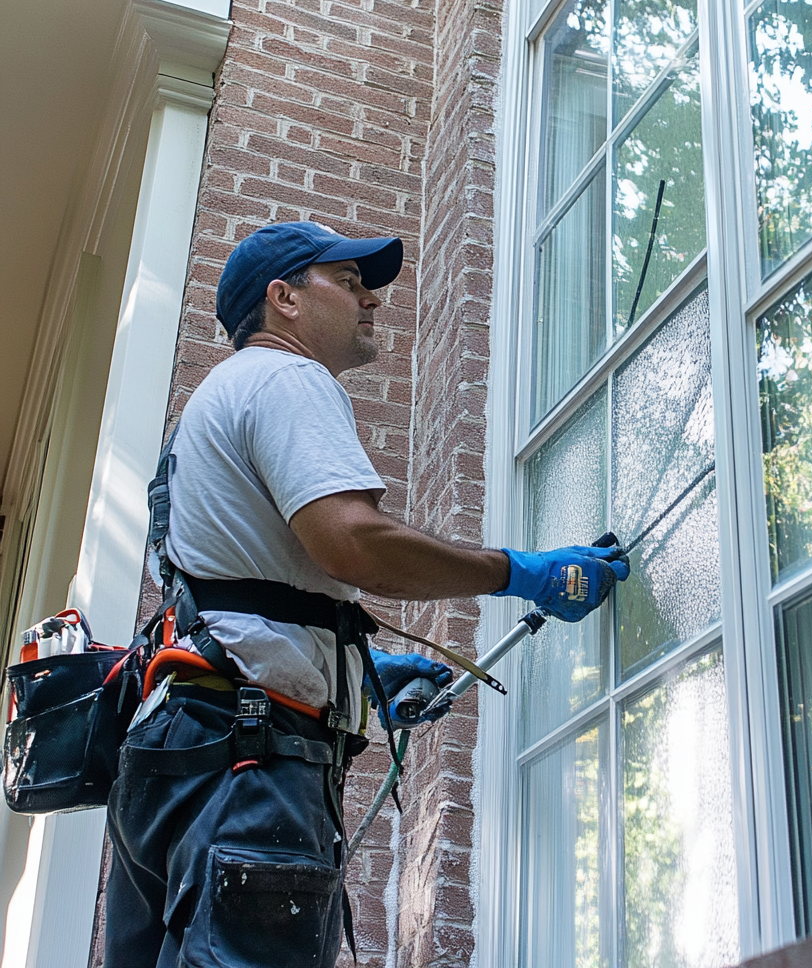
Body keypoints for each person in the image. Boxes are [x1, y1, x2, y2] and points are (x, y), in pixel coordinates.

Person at [104, 221, 629, 968]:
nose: (374, 300)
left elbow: (240, 594)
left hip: (175, 758)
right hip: (243, 762)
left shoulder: (211, 408)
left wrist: (359, 678)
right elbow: (353, 543)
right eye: (348, 283)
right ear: (283, 299)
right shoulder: (288, 379)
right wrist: (519, 572)